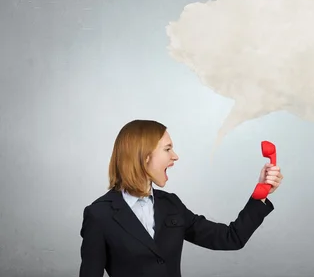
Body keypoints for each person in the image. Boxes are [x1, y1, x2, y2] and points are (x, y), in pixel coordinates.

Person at [79, 119, 283, 277]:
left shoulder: (171, 205)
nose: (175, 156)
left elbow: (231, 238)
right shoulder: (100, 215)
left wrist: (261, 194)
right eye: (167, 149)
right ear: (144, 156)